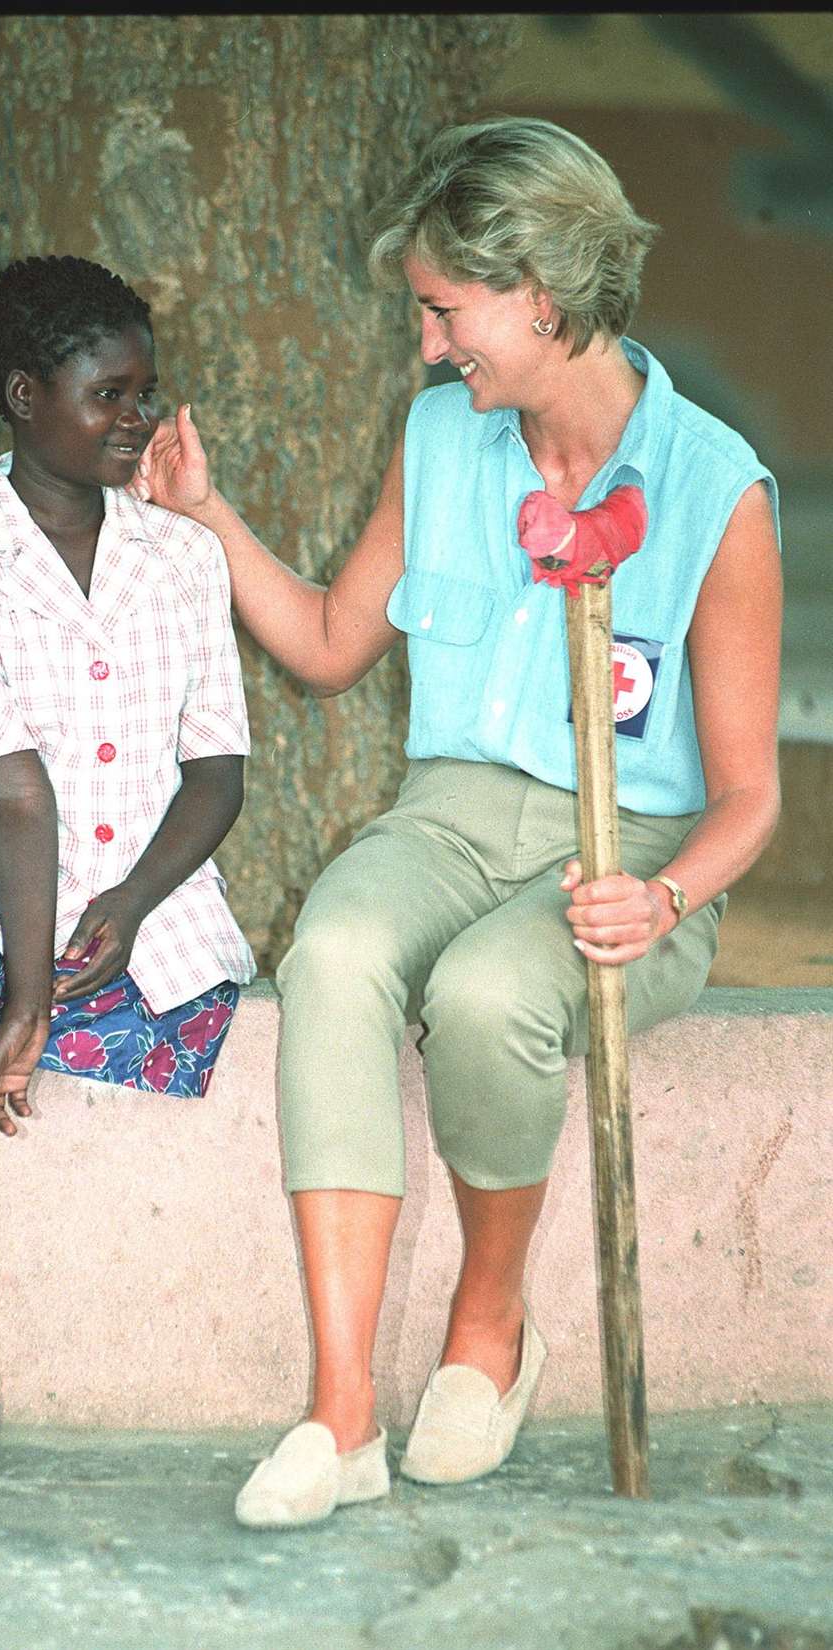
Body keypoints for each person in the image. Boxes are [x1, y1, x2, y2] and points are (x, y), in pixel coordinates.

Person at [131, 117, 782, 1528]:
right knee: (338, 948)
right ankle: (343, 1411)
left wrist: (660, 902)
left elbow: (750, 798)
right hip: (451, 816)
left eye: (445, 311)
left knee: (494, 989)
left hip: (639, 854)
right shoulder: (440, 436)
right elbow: (322, 642)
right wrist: (207, 514)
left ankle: (489, 1328)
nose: (429, 347)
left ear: (543, 292)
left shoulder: (715, 490)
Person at [0, 254, 254, 1480]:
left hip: (148, 876)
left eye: (147, 391)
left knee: (159, 1014)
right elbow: (14, 792)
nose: (140, 419)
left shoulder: (183, 559)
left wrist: (134, 906)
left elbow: (218, 772)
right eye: (111, 395)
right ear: (26, 396)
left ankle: (62, 989)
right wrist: (24, 995)